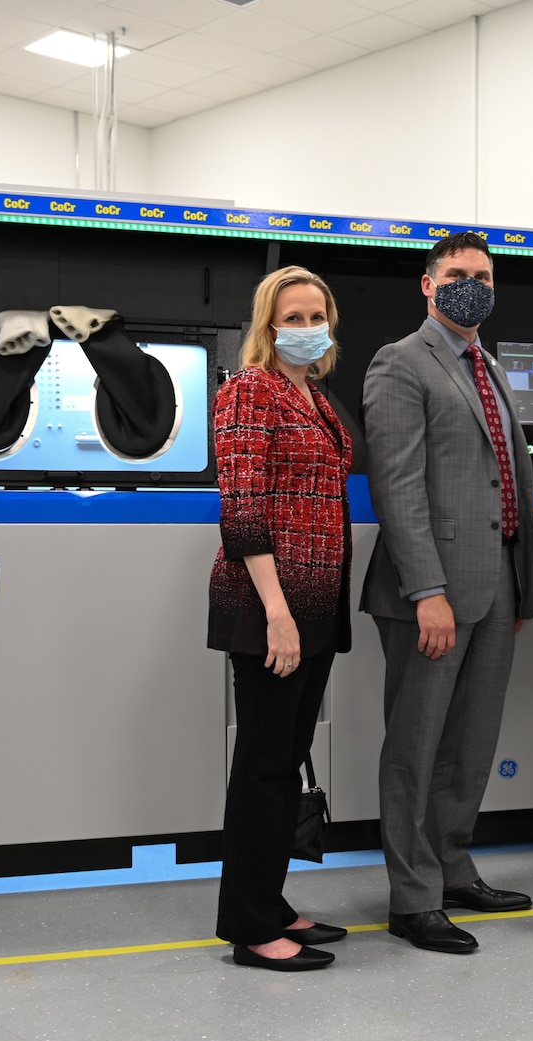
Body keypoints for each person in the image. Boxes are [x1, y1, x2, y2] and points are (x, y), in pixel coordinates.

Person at [360, 233, 533, 954]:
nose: (472, 286)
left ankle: (453, 867)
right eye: (458, 275)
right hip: (428, 590)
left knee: (470, 744)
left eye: (483, 276)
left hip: (494, 583)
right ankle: (411, 898)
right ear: (427, 285)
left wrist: (519, 587)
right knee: (416, 745)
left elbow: (504, 477)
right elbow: (396, 485)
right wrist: (426, 589)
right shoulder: (401, 362)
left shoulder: (486, 363)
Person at [209, 266, 353, 972]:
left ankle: (271, 901)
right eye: (290, 318)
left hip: (315, 600)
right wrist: (277, 613)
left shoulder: (312, 394)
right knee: (264, 767)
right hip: (270, 606)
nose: (304, 328)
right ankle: (249, 925)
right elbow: (241, 509)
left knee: (284, 757)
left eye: (314, 315)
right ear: (266, 328)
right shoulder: (249, 391)